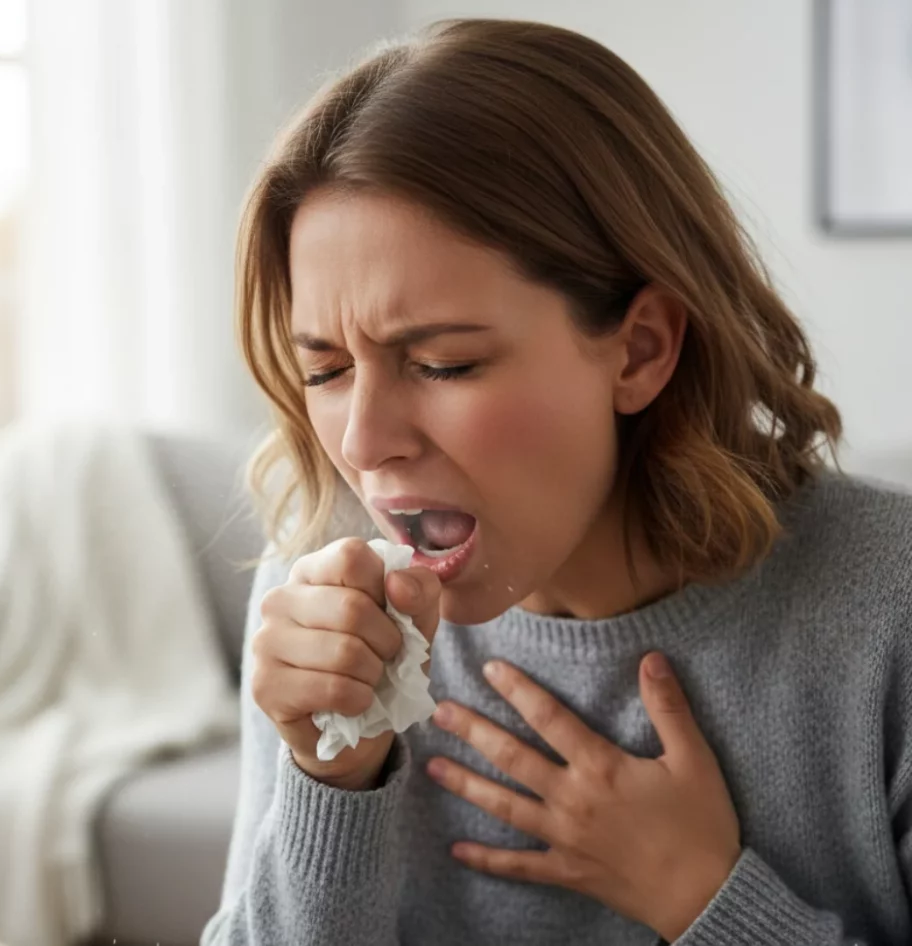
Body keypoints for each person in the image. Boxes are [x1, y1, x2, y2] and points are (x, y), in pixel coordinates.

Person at [202, 18, 912, 946]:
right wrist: (330, 778)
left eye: (445, 364)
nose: (365, 443)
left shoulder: (889, 610)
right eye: (327, 370)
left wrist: (703, 898)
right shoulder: (323, 599)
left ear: (640, 349)